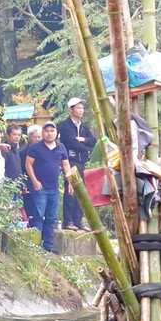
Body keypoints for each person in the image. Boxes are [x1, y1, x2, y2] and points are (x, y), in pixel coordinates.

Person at [25, 122, 71, 252]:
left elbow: (66, 165)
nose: (49, 133)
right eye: (46, 131)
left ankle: (48, 245)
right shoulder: (36, 148)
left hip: (54, 188)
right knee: (38, 216)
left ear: (56, 133)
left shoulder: (61, 147)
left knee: (51, 217)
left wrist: (70, 182)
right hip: (40, 187)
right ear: (42, 133)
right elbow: (28, 164)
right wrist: (34, 181)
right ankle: (36, 245)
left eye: (52, 131)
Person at [57, 98, 94, 230]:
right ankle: (68, 221)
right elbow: (71, 143)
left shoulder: (83, 126)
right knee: (70, 190)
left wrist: (83, 139)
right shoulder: (64, 126)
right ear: (71, 110)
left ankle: (78, 221)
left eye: (82, 108)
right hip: (70, 161)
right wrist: (86, 148)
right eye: (78, 108)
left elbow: (93, 141)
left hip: (82, 161)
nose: (81, 111)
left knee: (81, 191)